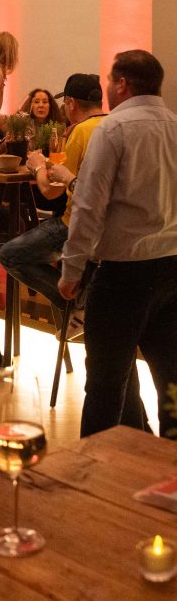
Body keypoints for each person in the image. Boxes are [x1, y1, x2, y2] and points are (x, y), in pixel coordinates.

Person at [58, 51, 177, 437]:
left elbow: (88, 206)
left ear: (123, 84)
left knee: (106, 385)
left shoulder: (114, 129)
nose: (108, 87)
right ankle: (168, 462)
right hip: (173, 267)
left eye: (110, 80)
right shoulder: (175, 125)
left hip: (124, 273)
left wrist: (72, 269)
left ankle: (99, 467)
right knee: (172, 381)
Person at [0, 74, 107, 313]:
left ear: (71, 103)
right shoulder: (112, 126)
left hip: (75, 224)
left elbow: (50, 191)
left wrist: (38, 166)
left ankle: (77, 304)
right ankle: (82, 299)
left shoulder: (79, 131)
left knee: (10, 255)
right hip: (108, 227)